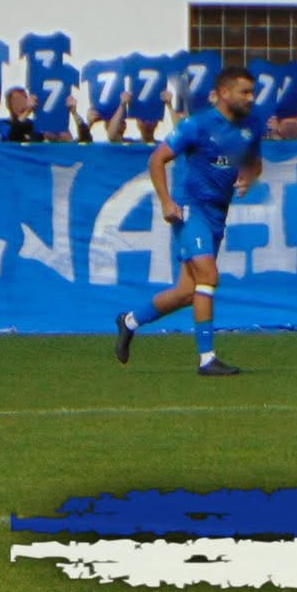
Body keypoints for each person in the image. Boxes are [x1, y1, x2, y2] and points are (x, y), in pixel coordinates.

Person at [114, 65, 261, 376]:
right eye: (244, 92)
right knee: (209, 275)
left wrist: (248, 178)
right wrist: (167, 201)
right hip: (190, 208)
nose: (252, 97)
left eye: (253, 91)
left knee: (186, 291)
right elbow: (157, 158)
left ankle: (129, 321)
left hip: (217, 214)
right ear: (223, 93)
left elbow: (254, 163)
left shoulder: (249, 128)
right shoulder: (198, 125)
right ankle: (207, 359)